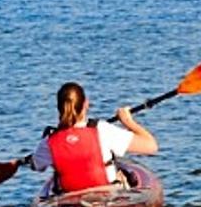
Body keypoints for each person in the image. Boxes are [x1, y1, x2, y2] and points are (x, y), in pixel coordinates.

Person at [30, 81, 158, 195]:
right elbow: (151, 146)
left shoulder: (49, 141)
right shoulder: (102, 129)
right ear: (86, 104)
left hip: (69, 199)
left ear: (59, 109)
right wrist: (128, 122)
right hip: (107, 195)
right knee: (124, 175)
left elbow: (37, 166)